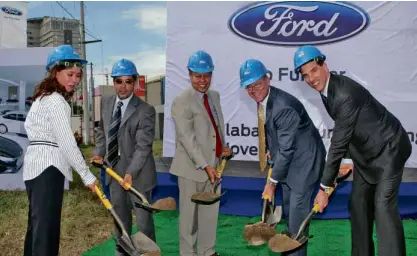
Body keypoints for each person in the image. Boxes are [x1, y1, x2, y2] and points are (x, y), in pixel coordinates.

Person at [294, 45, 412, 256]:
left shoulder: (343, 94)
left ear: (325, 66)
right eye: (305, 75)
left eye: (314, 70)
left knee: (383, 207)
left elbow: (338, 143)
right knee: (357, 204)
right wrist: (348, 160)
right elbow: (349, 129)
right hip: (366, 154)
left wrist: (324, 188)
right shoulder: (327, 90)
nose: (311, 78)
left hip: (390, 149)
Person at [239, 59, 326, 256]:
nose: (254, 90)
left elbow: (287, 149)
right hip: (289, 161)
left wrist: (271, 183)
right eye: (249, 86)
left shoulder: (282, 106)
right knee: (288, 210)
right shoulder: (265, 100)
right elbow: (276, 134)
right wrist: (272, 150)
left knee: (296, 224)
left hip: (304, 164)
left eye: (258, 84)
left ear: (267, 79)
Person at [22, 45, 98, 256]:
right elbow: (66, 143)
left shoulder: (43, 97)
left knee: (37, 229)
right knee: (46, 232)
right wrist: (87, 176)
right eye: (70, 74)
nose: (74, 79)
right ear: (56, 72)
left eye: (78, 75)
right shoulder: (56, 101)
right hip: (48, 168)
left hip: (36, 168)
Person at [91, 58, 157, 255]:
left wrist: (130, 173)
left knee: (144, 225)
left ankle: (149, 253)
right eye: (119, 81)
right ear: (114, 82)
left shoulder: (146, 110)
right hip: (113, 173)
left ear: (135, 82)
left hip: (139, 175)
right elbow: (103, 134)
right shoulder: (106, 102)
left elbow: (143, 147)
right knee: (120, 222)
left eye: (128, 81)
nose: (123, 86)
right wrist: (98, 154)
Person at [170, 50, 232, 256]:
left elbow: (217, 125)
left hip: (213, 166)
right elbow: (187, 138)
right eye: (198, 75)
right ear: (189, 74)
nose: (203, 81)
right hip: (191, 168)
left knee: (209, 214)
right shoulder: (182, 100)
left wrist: (223, 146)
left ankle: (208, 251)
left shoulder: (214, 96)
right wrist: (205, 165)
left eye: (207, 75)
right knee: (189, 220)